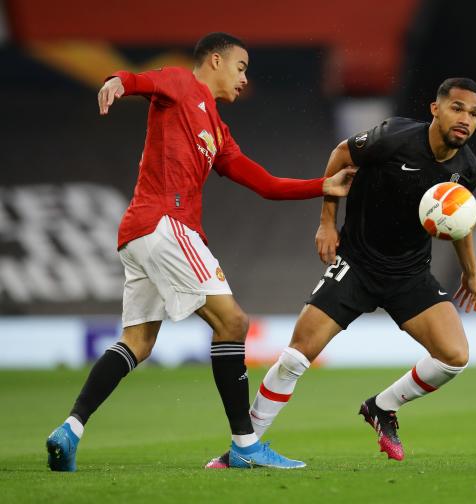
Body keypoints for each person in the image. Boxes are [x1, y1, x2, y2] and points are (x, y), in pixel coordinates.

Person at [45, 32, 356, 472]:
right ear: (214, 60)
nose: (245, 79)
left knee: (137, 342)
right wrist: (117, 80)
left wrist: (320, 186)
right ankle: (246, 445)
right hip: (166, 224)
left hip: (139, 233)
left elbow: (263, 183)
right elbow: (142, 80)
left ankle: (70, 429)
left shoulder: (217, 128)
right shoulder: (180, 83)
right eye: (241, 67)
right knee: (233, 322)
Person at [205, 77, 476, 468]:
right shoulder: (393, 137)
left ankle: (382, 407)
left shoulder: (467, 168)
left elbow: (461, 222)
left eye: (473, 114)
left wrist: (471, 273)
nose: (465, 120)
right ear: (435, 109)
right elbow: (340, 154)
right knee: (295, 357)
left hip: (409, 274)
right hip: (357, 264)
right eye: (457, 108)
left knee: (454, 357)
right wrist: (326, 222)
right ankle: (243, 448)